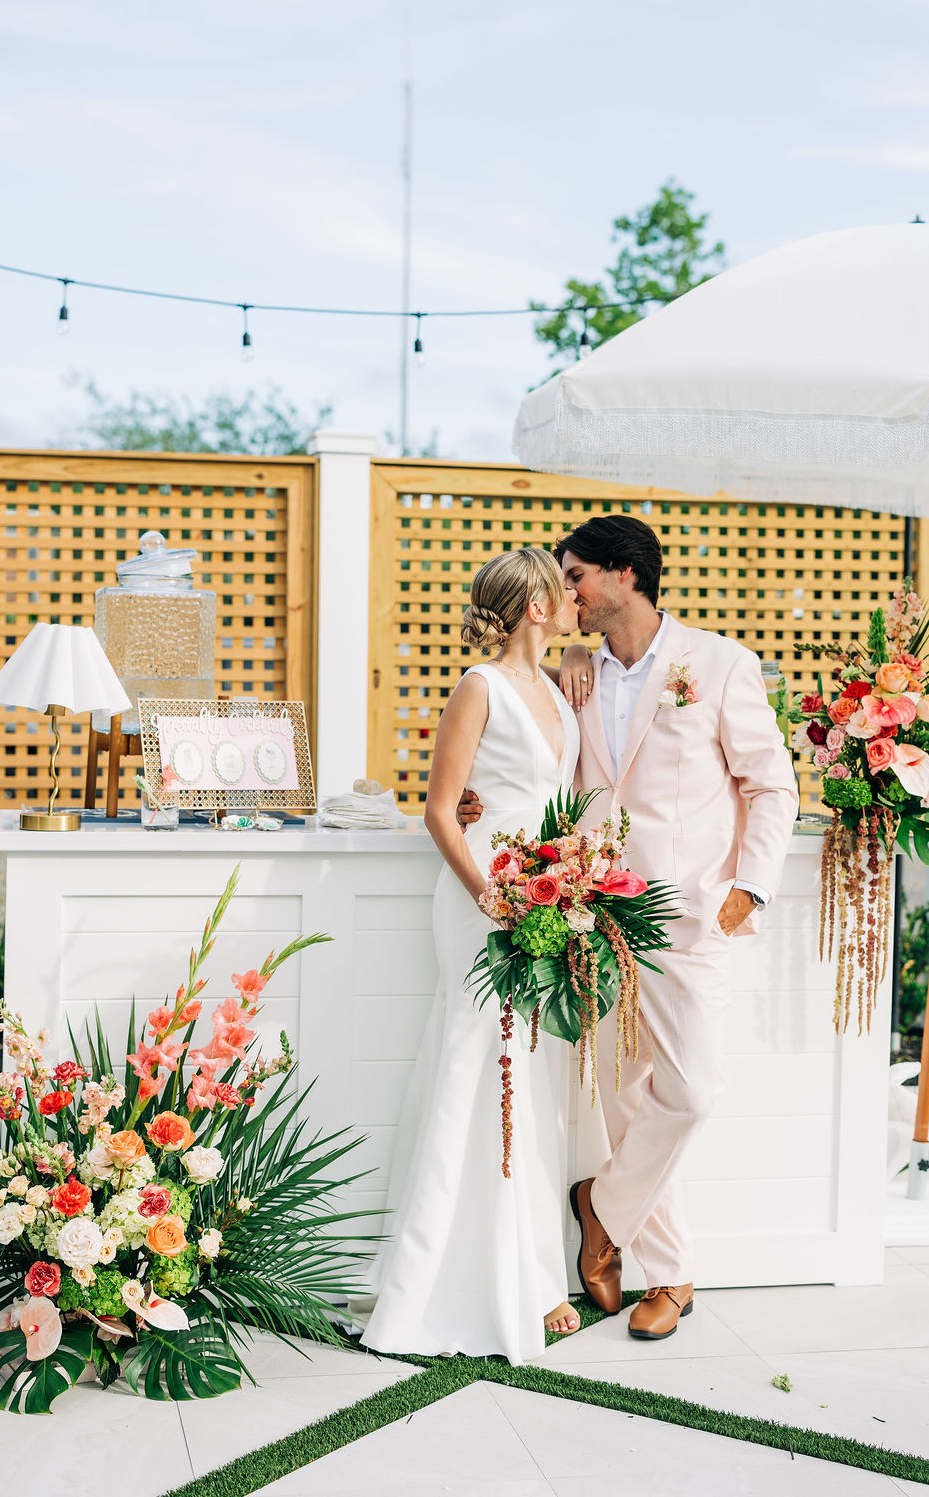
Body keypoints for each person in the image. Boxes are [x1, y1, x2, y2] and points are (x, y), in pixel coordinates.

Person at [461, 515, 798, 1341]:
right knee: (623, 1102)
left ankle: (600, 1209)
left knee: (690, 1092)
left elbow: (772, 785)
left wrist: (748, 888)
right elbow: (544, 777)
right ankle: (672, 1275)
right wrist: (478, 809)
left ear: (624, 575)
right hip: (594, 918)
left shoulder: (719, 664)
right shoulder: (572, 676)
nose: (563, 590)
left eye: (574, 575)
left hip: (691, 915)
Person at [361, 547, 582, 1365]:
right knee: (479, 1065)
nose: (570, 600)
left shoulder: (558, 686)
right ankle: (445, 1279)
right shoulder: (478, 686)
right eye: (558, 591)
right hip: (483, 898)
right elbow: (441, 810)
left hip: (547, 899)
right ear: (533, 605)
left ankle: (531, 1269)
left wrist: (565, 888)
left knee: (529, 1074)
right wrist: (491, 894)